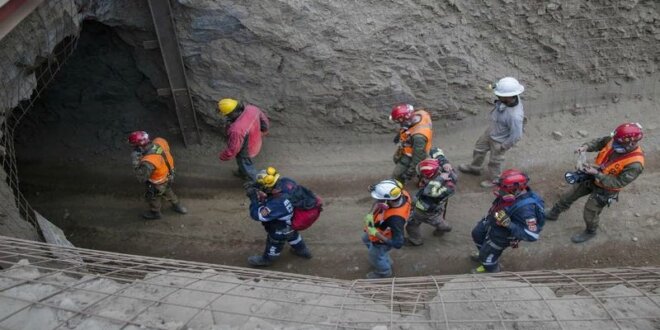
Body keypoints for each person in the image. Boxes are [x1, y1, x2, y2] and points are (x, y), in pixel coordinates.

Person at [545, 123, 645, 243]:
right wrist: (585, 147)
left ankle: (590, 231)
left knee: (590, 211)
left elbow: (618, 183)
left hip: (606, 190)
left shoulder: (635, 164)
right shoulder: (615, 140)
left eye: (618, 144)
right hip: (593, 176)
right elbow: (600, 142)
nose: (614, 144)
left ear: (631, 143)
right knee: (569, 195)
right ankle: (553, 213)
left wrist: (596, 174)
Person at [471, 169, 544, 273]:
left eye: (502, 188)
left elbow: (532, 235)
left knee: (487, 258)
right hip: (494, 220)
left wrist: (508, 224)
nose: (499, 190)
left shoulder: (526, 210)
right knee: (477, 233)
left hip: (502, 235)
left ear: (515, 190)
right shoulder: (511, 195)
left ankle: (491, 270)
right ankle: (484, 253)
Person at [458, 77, 525, 188]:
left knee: (495, 161)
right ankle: (475, 168)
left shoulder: (515, 116)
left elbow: (516, 135)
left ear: (508, 97)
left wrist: (504, 146)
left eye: (499, 95)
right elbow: (494, 87)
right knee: (479, 149)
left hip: (499, 140)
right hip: (492, 130)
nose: (497, 96)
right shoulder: (510, 96)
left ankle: (495, 180)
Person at [244, 167, 314, 267]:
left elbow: (257, 215)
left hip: (280, 229)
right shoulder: (286, 182)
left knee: (274, 243)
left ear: (268, 188)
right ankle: (303, 251)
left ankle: (267, 260)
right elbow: (273, 193)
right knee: (294, 237)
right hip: (292, 221)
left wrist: (253, 199)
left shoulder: (277, 204)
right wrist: (258, 185)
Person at [128, 131, 187, 220]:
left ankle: (155, 212)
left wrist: (135, 161)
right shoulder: (160, 141)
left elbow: (141, 177)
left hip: (157, 182)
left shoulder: (149, 161)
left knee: (153, 196)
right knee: (168, 190)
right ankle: (177, 205)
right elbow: (159, 153)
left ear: (139, 145)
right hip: (168, 175)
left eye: (134, 145)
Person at [362, 179, 411, 278]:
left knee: (375, 257)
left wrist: (375, 233)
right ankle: (383, 257)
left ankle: (384, 272)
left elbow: (398, 244)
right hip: (377, 227)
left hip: (382, 240)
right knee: (365, 239)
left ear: (387, 200)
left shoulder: (395, 219)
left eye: (379, 199)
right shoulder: (401, 193)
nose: (377, 201)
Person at [406, 153, 456, 246]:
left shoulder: (448, 187)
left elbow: (429, 192)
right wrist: (444, 162)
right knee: (438, 220)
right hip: (434, 207)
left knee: (412, 225)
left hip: (425, 210)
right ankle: (444, 227)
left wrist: (439, 179)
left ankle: (416, 240)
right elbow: (436, 150)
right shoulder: (442, 171)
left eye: (423, 176)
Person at [217, 98, 270, 181]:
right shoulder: (252, 109)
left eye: (227, 115)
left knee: (246, 165)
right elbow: (264, 120)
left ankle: (259, 182)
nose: (226, 116)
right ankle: (241, 172)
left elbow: (234, 149)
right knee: (242, 163)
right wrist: (264, 130)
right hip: (255, 140)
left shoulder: (236, 129)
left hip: (246, 150)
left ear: (231, 113)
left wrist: (224, 156)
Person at [390, 104, 433, 184]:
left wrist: (409, 173)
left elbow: (418, 158)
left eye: (399, 121)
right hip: (415, 148)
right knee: (397, 160)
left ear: (405, 119)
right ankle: (421, 176)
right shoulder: (421, 113)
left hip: (411, 155)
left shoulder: (418, 137)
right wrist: (401, 134)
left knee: (395, 178)